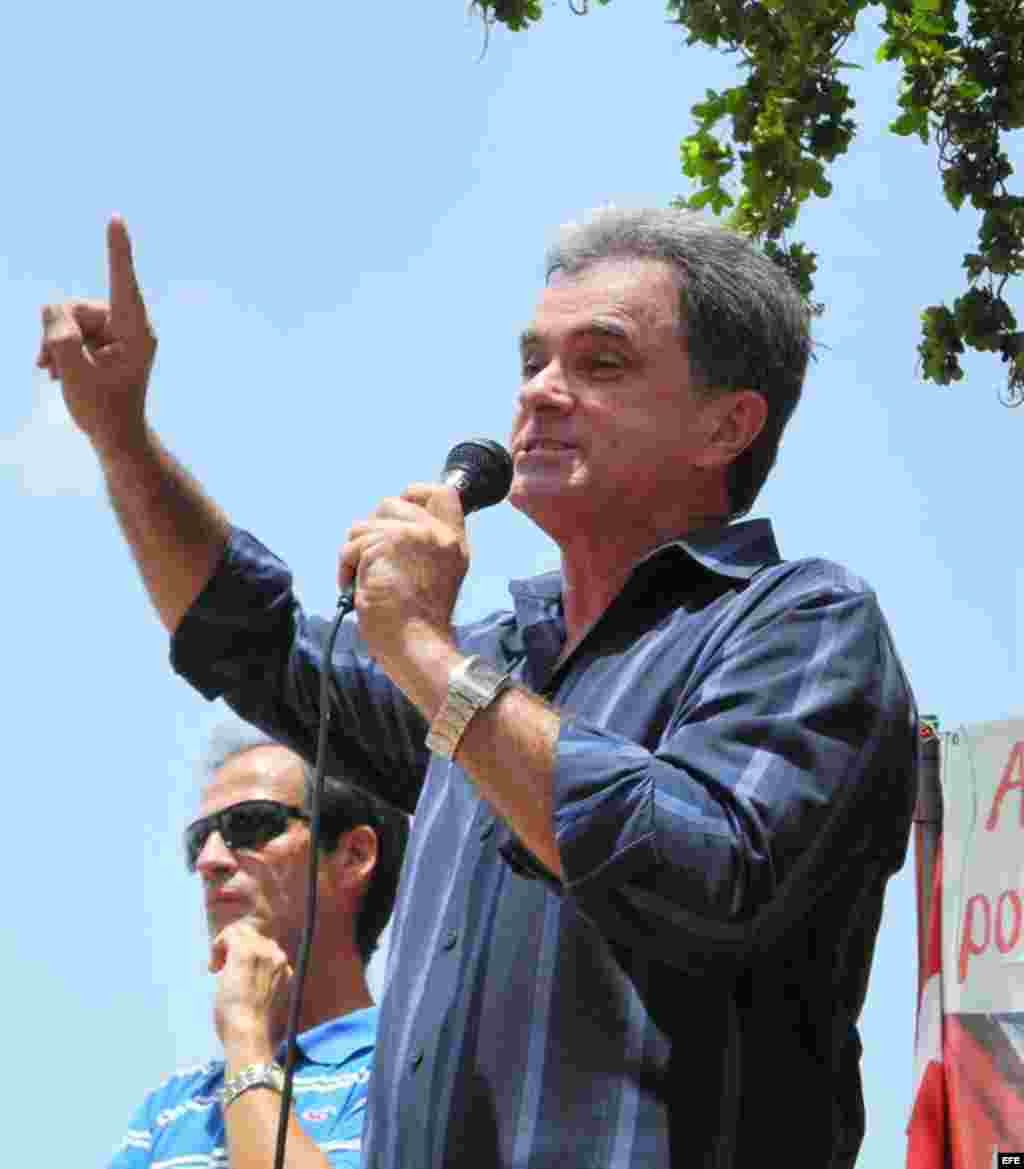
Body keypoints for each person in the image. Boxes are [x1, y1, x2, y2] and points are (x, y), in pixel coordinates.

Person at [41, 207, 918, 1169]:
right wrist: (120, 434)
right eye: (532, 360)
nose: (541, 393)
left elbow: (704, 871)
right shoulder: (499, 660)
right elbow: (252, 644)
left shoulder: (801, 623)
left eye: (602, 362)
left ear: (728, 422)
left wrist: (422, 649)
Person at [107, 730, 409, 1169]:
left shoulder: (416, 1070)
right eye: (199, 839)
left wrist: (247, 1036)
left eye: (248, 824)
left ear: (353, 854)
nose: (209, 860)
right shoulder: (167, 1114)